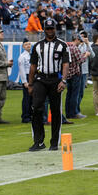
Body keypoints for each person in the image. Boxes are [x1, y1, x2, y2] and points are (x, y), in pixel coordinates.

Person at [27, 18, 70, 151]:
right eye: (48, 28)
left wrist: (63, 80)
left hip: (55, 79)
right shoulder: (38, 46)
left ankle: (54, 142)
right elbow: (33, 65)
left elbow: (65, 64)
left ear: (55, 29)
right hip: (40, 79)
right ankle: (38, 141)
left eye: (52, 28)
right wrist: (30, 83)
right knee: (36, 108)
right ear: (44, 29)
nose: (50, 31)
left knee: (56, 111)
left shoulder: (62, 45)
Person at [65, 33, 87, 119]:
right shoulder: (75, 48)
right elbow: (80, 60)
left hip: (68, 74)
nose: (80, 42)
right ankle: (74, 113)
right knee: (75, 94)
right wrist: (85, 55)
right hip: (75, 73)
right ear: (76, 39)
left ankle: (68, 113)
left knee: (69, 94)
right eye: (79, 40)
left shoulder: (66, 47)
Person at [76, 30, 95, 118]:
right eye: (81, 36)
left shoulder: (86, 45)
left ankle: (77, 109)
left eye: (84, 36)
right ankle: (76, 110)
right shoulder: (77, 45)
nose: (83, 38)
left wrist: (88, 44)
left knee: (81, 92)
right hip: (77, 71)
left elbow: (93, 55)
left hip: (85, 71)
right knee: (77, 92)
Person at [18, 38, 32, 123]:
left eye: (29, 44)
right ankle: (25, 116)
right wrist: (24, 82)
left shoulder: (32, 55)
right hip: (26, 77)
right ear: (23, 46)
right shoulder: (22, 57)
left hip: (32, 76)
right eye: (26, 44)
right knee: (27, 98)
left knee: (32, 98)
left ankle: (30, 114)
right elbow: (22, 70)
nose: (28, 46)